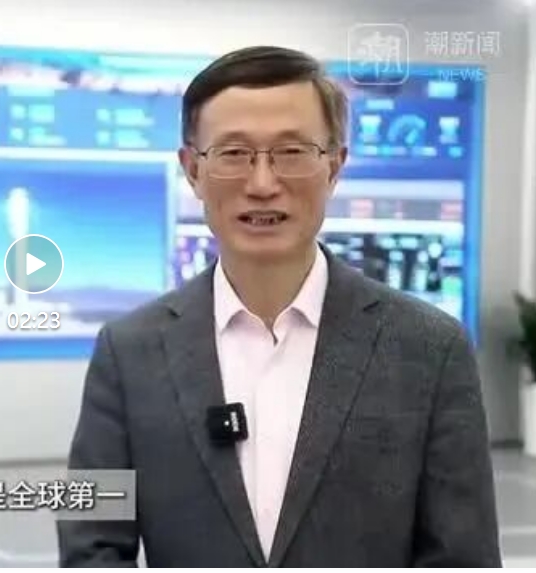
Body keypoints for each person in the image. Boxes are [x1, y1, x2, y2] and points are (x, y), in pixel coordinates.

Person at [57, 46, 501, 567]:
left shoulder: (429, 349)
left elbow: (463, 557)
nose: (263, 184)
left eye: (292, 152)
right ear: (192, 170)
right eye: (233, 154)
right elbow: (90, 549)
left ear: (334, 166)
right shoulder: (128, 353)